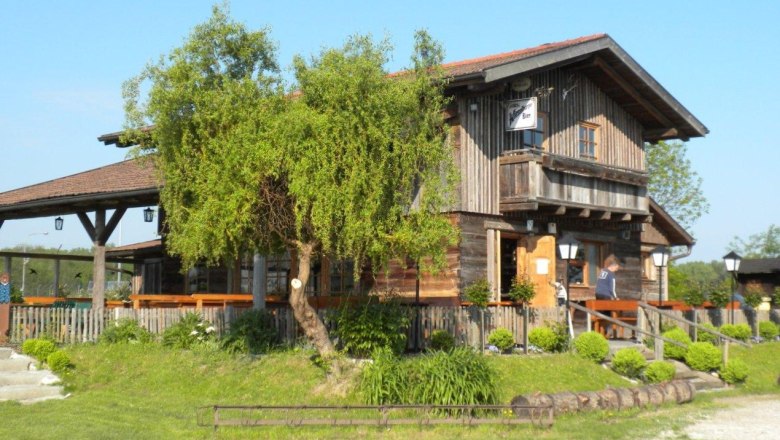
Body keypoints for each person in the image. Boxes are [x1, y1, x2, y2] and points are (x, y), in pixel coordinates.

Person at [0, 272, 10, 343]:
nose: (4, 280)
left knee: (5, 320)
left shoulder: (8, 286)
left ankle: (3, 336)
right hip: (1, 302)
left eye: (6, 278)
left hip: (6, 303)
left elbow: (7, 293)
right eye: (3, 278)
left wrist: (7, 300)